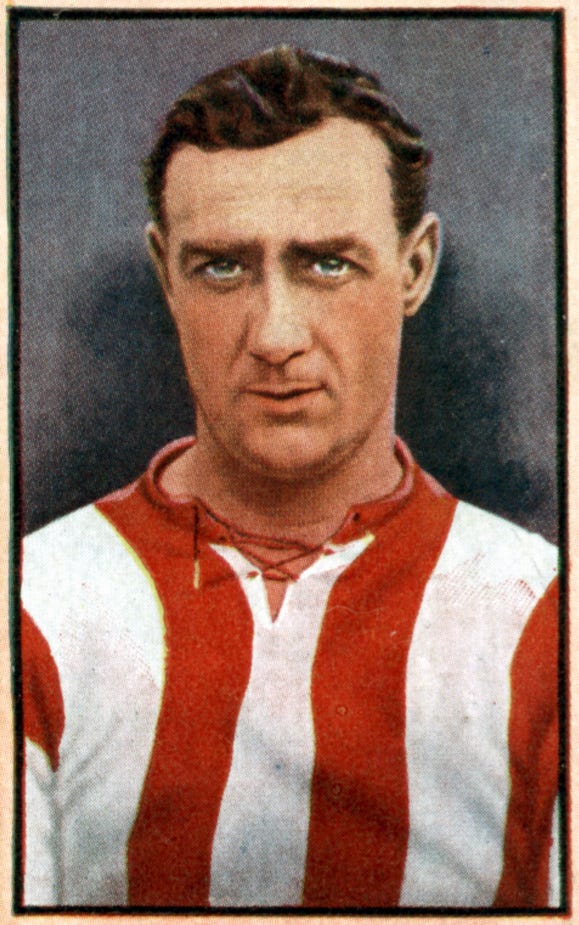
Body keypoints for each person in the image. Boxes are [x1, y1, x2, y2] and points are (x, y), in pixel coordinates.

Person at [20, 46, 560, 909]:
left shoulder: (543, 615)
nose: (275, 335)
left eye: (326, 263)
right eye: (222, 266)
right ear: (165, 273)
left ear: (414, 267)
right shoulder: (34, 606)